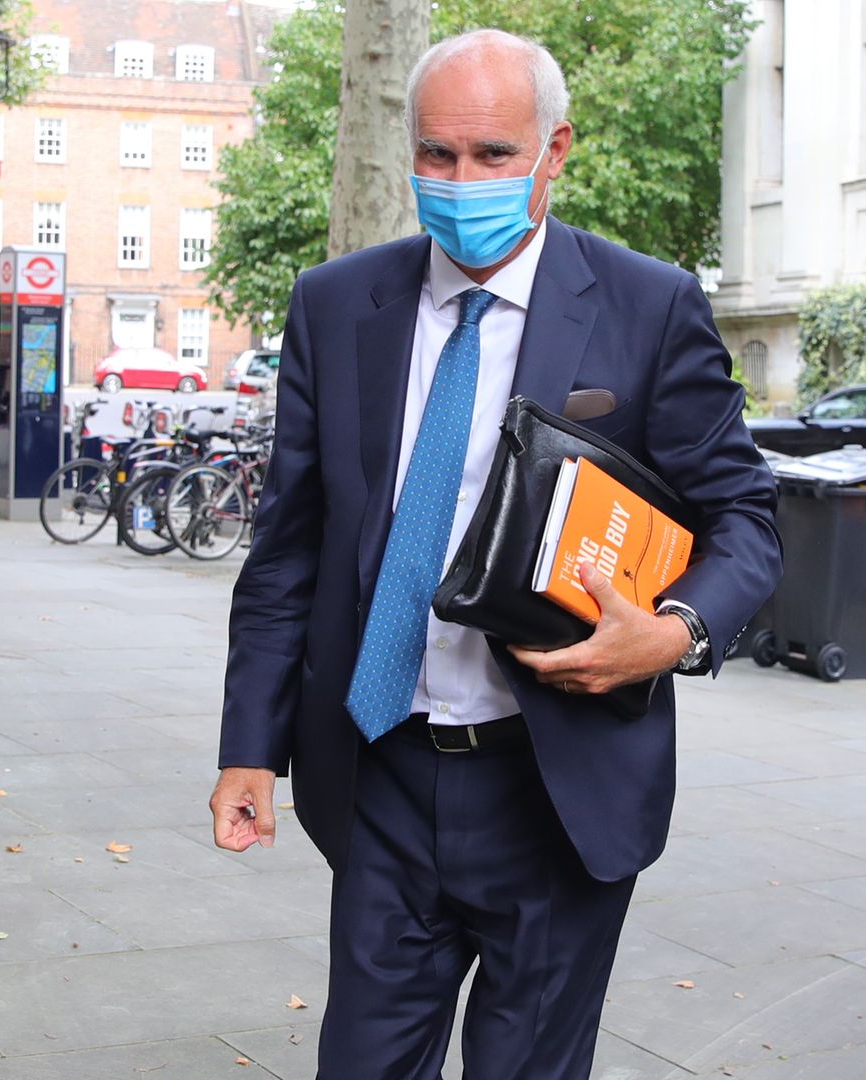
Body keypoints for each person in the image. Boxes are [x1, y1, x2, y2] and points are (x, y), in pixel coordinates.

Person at [206, 30, 782, 1080]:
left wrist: (673, 634)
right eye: (437, 155)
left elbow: (745, 516)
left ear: (553, 150)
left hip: (556, 786)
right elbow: (289, 548)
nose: (460, 181)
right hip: (379, 770)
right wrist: (251, 742)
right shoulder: (336, 306)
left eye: (492, 156)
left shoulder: (648, 308)